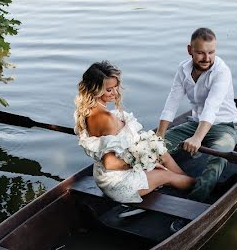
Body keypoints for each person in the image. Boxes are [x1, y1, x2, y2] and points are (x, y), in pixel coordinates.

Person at [75, 61, 194, 204]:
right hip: (118, 183)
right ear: (96, 90)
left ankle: (187, 181)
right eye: (109, 90)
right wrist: (144, 163)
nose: (115, 92)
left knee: (161, 154)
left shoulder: (88, 112)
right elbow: (110, 162)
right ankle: (201, 188)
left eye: (115, 87)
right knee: (166, 175)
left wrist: (149, 159)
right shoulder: (106, 119)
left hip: (103, 177)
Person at [156, 28, 237, 202]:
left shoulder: (221, 71)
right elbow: (172, 103)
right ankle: (165, 182)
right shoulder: (183, 69)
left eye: (211, 52)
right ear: (190, 50)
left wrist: (197, 138)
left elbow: (212, 107)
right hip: (195, 123)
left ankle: (194, 204)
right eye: (201, 53)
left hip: (225, 127)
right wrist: (159, 136)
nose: (207, 58)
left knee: (216, 161)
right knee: (153, 148)